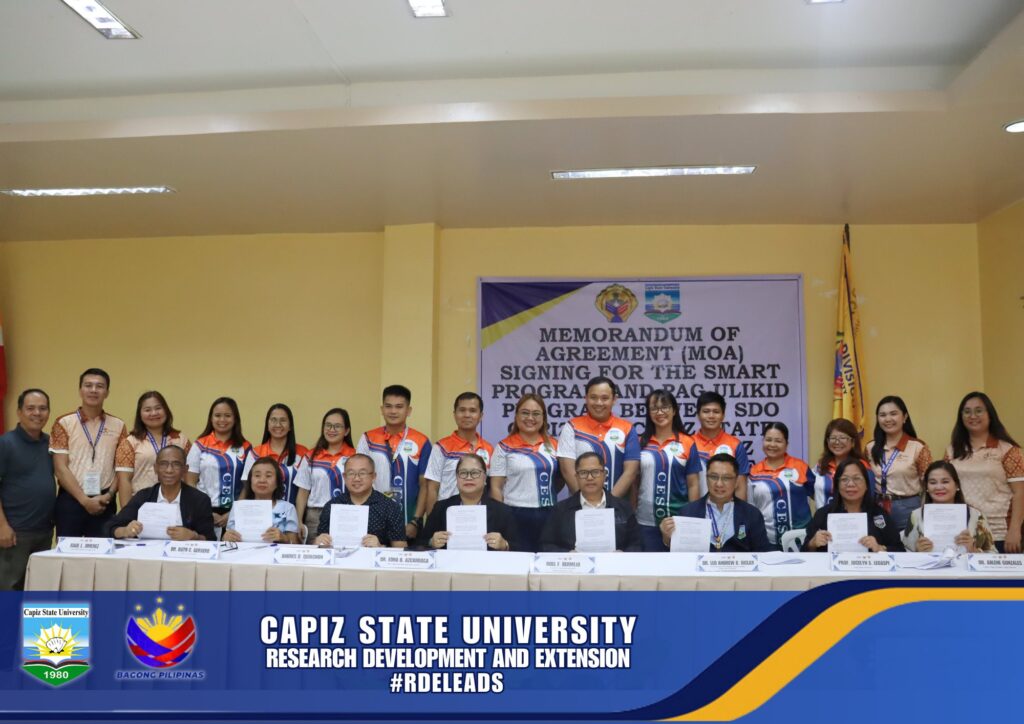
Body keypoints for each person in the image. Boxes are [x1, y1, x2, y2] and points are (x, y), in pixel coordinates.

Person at [50, 368, 128, 538]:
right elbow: (60, 468)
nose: (93, 390)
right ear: (80, 390)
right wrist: (84, 500)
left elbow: (122, 468)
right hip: (71, 501)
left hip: (104, 501)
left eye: (99, 386)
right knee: (68, 552)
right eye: (88, 385)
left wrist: (109, 495)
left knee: (103, 552)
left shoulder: (118, 425)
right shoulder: (64, 423)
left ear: (107, 392)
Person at [945, 391, 1024, 553]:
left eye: (979, 410)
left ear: (990, 415)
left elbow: (1020, 492)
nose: (972, 416)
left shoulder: (1007, 450)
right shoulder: (952, 450)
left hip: (999, 531)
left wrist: (1015, 529)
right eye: (967, 412)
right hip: (962, 532)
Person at [356, 385, 432, 542]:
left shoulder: (422, 441)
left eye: (399, 407)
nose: (393, 411)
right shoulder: (368, 439)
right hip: (372, 522)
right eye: (388, 406)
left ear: (408, 410)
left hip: (409, 523)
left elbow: (425, 485)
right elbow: (358, 479)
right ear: (381, 409)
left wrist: (416, 521)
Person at [490, 394, 561, 552]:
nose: (530, 418)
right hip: (514, 514)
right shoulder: (503, 447)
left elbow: (560, 479)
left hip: (549, 514)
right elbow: (496, 487)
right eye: (525, 413)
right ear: (516, 416)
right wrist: (501, 518)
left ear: (543, 417)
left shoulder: (555, 445)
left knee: (547, 560)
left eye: (536, 413)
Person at [0, 389, 55, 590]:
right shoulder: (5, 443)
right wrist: (2, 526)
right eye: (30, 408)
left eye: (42, 408)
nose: (37, 413)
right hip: (15, 532)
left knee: (36, 588)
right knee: (9, 588)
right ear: (19, 412)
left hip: (44, 531)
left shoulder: (51, 443)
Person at [662, 453, 770, 552]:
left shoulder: (752, 514)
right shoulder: (688, 513)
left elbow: (762, 554)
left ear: (736, 481)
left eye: (726, 478)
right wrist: (667, 539)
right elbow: (680, 556)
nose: (719, 484)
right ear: (706, 478)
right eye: (713, 477)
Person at [107, 445, 215, 542]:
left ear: (185, 469)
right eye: (163, 464)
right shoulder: (143, 497)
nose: (169, 470)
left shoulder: (199, 500)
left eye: (176, 464)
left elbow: (210, 539)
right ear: (155, 468)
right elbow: (110, 527)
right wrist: (125, 531)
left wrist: (193, 536)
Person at [636, 389, 700, 551]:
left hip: (679, 520)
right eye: (654, 408)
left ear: (674, 410)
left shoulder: (687, 442)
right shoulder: (640, 442)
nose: (660, 412)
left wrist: (691, 519)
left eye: (664, 407)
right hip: (645, 521)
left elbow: (693, 484)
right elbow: (634, 483)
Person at [539, 452, 641, 552]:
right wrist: (568, 555)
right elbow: (546, 545)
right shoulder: (560, 510)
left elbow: (637, 544)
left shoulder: (624, 508)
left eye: (595, 472)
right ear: (576, 477)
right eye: (583, 473)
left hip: (613, 563)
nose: (590, 477)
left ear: (604, 475)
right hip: (575, 563)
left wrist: (623, 555)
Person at [557, 377, 639, 498]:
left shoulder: (627, 428)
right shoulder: (571, 427)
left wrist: (608, 502)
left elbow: (630, 472)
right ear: (586, 398)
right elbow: (567, 471)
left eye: (605, 398)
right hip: (579, 505)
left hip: (617, 505)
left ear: (614, 399)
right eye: (593, 397)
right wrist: (587, 502)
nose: (599, 403)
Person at [803, 458, 903, 552]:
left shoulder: (879, 514)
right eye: (844, 479)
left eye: (857, 478)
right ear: (837, 485)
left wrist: (879, 548)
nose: (850, 484)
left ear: (867, 485)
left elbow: (900, 549)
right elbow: (803, 551)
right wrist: (812, 544)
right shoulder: (823, 514)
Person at [423, 454, 518, 551]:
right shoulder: (441, 508)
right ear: (456, 478)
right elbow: (420, 542)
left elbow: (519, 547)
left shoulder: (502, 512)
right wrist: (431, 542)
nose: (468, 477)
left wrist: (505, 545)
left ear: (485, 478)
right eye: (463, 473)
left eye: (475, 473)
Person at [865, 395, 932, 531]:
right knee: (879, 543)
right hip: (877, 507)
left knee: (908, 543)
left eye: (893, 414)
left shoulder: (918, 447)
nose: (888, 419)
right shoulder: (870, 448)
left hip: (907, 507)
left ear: (904, 417)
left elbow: (929, 483)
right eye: (882, 415)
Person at [114, 391, 191, 507]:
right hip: (143, 506)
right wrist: (127, 512)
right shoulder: (130, 442)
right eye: (147, 410)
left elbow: (189, 476)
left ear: (166, 410)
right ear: (140, 414)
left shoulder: (181, 439)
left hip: (176, 505)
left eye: (158, 408)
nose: (154, 413)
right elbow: (124, 480)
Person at [423, 392, 494, 516]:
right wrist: (432, 521)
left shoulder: (489, 449)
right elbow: (432, 488)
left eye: (472, 411)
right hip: (447, 515)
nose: (467, 415)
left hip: (479, 517)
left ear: (481, 416)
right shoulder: (441, 447)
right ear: (454, 414)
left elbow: (492, 488)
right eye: (462, 410)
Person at [314, 454, 407, 548]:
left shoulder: (390, 507)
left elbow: (401, 548)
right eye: (351, 473)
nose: (357, 478)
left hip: (374, 557)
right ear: (344, 477)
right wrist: (318, 543)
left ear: (373, 476)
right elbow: (319, 545)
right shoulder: (331, 506)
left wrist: (380, 548)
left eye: (362, 473)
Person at [186, 397, 251, 530]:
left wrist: (234, 513)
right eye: (217, 415)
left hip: (236, 512)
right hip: (204, 510)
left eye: (227, 415)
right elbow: (190, 482)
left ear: (235, 419)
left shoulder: (246, 447)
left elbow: (247, 486)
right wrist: (205, 511)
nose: (222, 420)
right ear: (211, 418)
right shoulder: (199, 445)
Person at [747, 423, 816, 548]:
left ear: (786, 444)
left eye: (778, 441)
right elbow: (751, 508)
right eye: (768, 440)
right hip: (767, 541)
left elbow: (819, 496)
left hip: (801, 539)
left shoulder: (800, 467)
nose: (772, 445)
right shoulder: (753, 472)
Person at [902, 461, 995, 553]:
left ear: (957, 485)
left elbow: (993, 554)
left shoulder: (976, 515)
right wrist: (918, 551)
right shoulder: (916, 515)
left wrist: (973, 550)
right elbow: (905, 553)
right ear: (926, 487)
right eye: (933, 482)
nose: (939, 487)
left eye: (945, 482)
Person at [241, 404, 311, 522]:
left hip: (292, 517)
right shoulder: (256, 453)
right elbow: (247, 488)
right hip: (260, 516)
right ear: (267, 425)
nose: (278, 425)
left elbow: (304, 490)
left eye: (283, 420)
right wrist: (239, 512)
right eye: (273, 420)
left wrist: (298, 520)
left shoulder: (303, 453)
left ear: (290, 426)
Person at [300, 408, 356, 543]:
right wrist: (299, 521)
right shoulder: (310, 456)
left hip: (346, 513)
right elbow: (303, 491)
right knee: (315, 553)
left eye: (337, 426)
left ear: (346, 431)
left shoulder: (355, 455)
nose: (332, 429)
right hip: (315, 516)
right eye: (328, 425)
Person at [686, 391, 751, 501]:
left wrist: (740, 511)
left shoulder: (735, 445)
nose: (711, 416)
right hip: (695, 508)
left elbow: (740, 487)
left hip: (727, 508)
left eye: (716, 412)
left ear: (723, 415)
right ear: (698, 415)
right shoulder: (687, 443)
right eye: (706, 411)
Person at [224, 456, 300, 544]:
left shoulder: (288, 509)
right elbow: (227, 539)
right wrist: (226, 537)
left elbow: (295, 543)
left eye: (268, 476)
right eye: (257, 475)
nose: (262, 480)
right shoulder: (238, 507)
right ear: (250, 481)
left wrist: (284, 538)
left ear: (277, 482)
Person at [811, 418, 876, 510]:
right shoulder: (820, 466)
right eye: (833, 438)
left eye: (842, 438)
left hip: (853, 517)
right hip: (823, 517)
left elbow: (869, 499)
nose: (837, 442)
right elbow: (811, 490)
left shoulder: (863, 467)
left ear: (853, 442)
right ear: (827, 441)